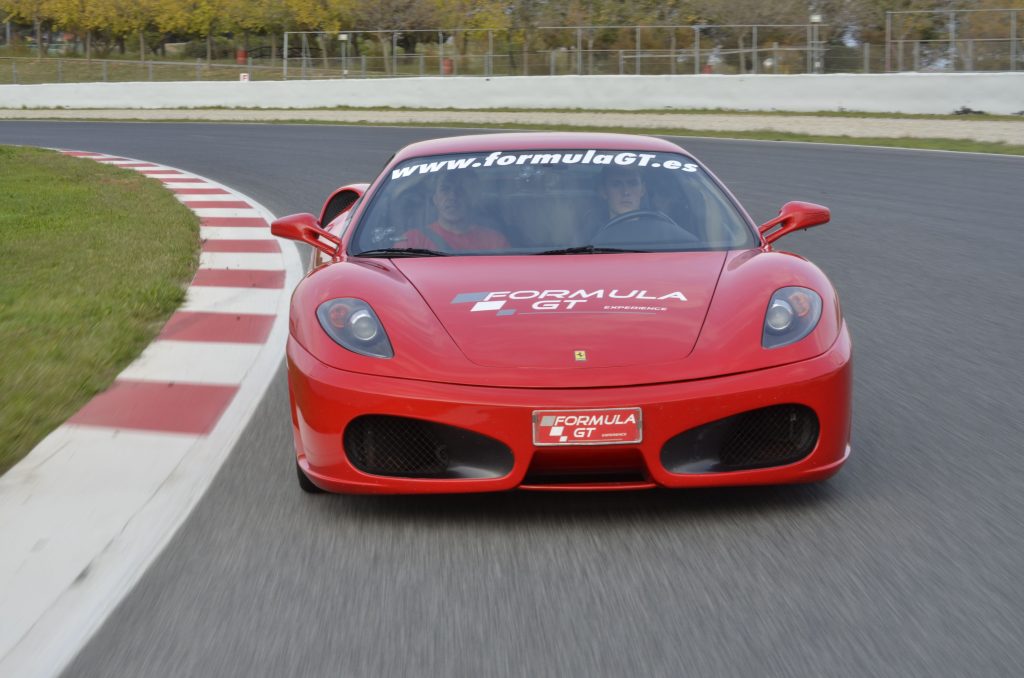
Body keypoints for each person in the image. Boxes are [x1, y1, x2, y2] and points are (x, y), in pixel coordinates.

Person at [396, 172, 508, 252]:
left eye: (461, 189)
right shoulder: (412, 241)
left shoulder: (494, 241)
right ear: (435, 199)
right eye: (445, 189)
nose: (452, 196)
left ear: (472, 198)